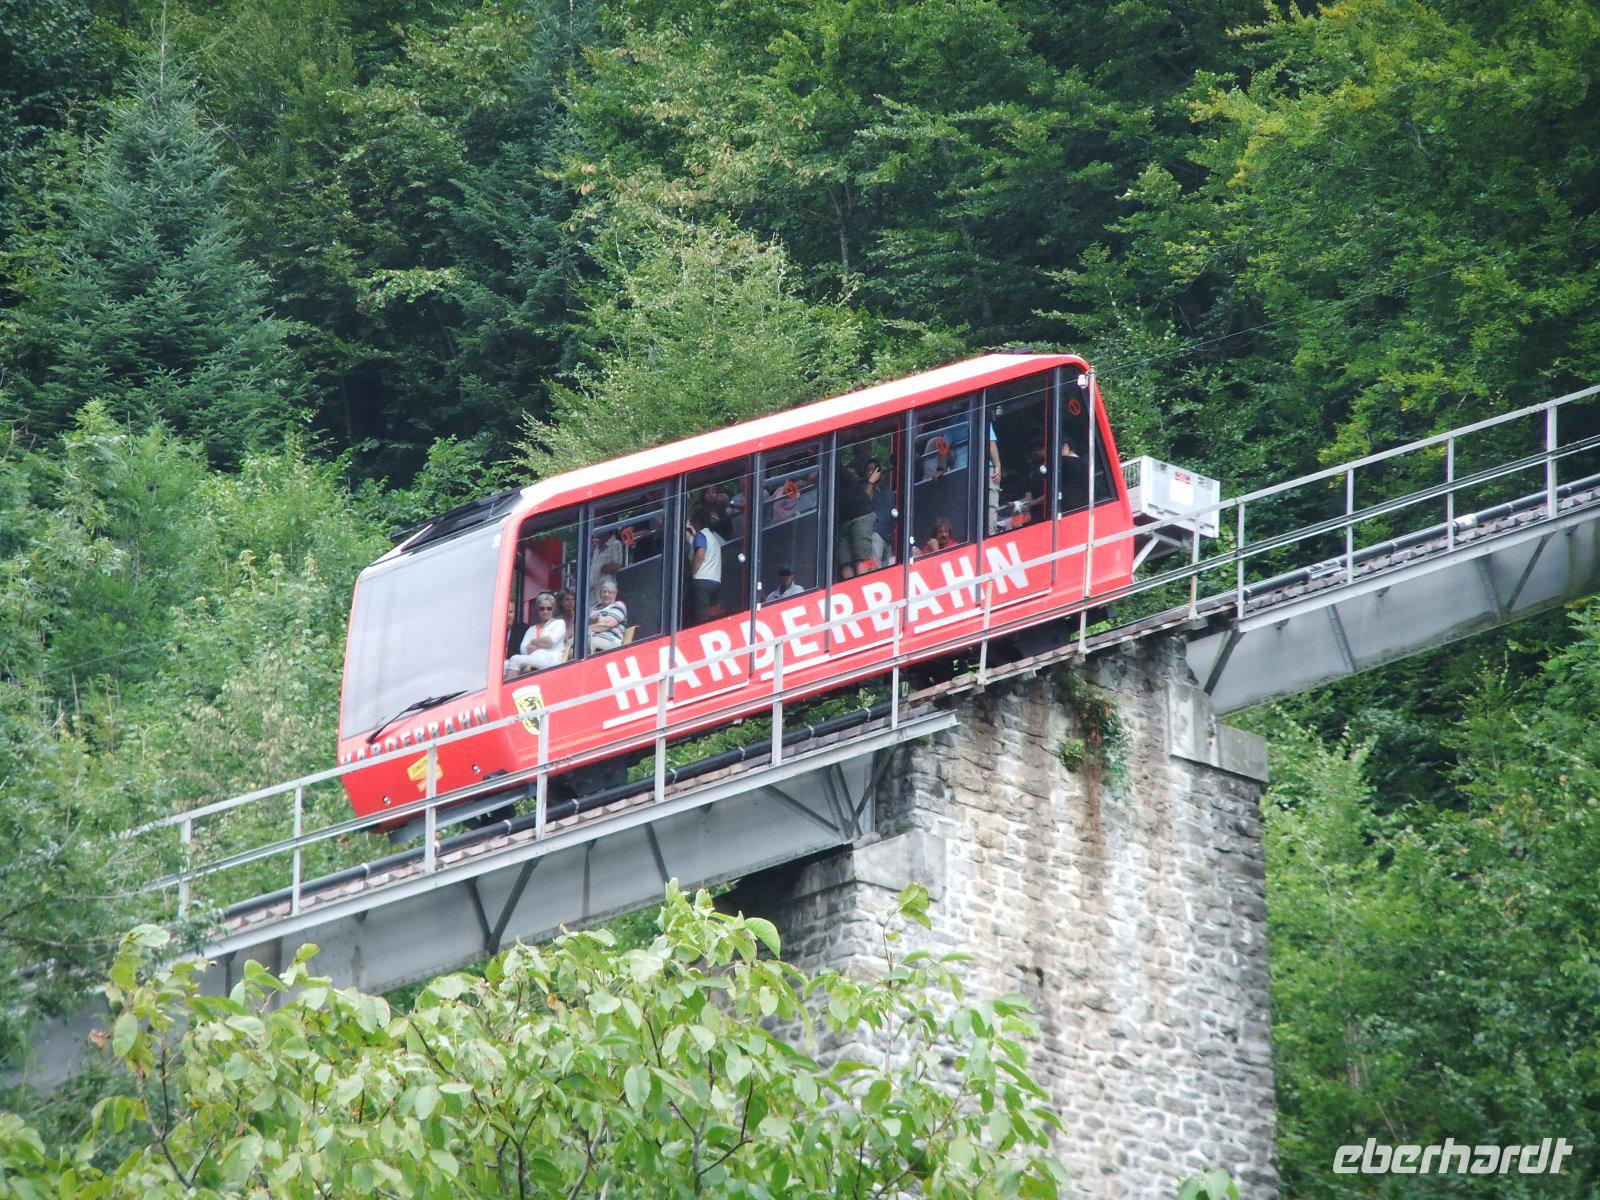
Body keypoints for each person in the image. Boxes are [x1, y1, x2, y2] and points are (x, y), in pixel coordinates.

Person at [834, 453, 875, 578]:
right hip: (844, 519)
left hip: (861, 514)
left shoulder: (837, 470)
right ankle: (850, 587)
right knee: (845, 561)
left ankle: (864, 584)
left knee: (861, 557)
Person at [505, 592, 566, 675]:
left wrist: (532, 642)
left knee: (515, 659)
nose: (545, 611)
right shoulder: (531, 629)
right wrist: (542, 643)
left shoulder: (559, 623)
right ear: (538, 610)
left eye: (549, 608)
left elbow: (550, 641)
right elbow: (523, 649)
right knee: (504, 664)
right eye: (542, 609)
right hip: (533, 659)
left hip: (551, 660)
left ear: (553, 609)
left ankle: (510, 688)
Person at [685, 505, 725, 624]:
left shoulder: (701, 535)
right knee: (712, 614)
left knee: (701, 616)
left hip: (702, 581)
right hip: (715, 581)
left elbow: (700, 555)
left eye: (692, 521)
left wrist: (692, 573)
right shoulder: (713, 538)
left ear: (697, 522)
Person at [867, 458, 896, 567]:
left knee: (887, 567)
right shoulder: (866, 488)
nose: (871, 472)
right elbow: (866, 500)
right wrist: (870, 483)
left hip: (888, 535)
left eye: (874, 469)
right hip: (876, 534)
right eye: (869, 470)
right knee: (875, 567)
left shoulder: (886, 491)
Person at [588, 576, 628, 652]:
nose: (606, 594)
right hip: (591, 637)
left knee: (584, 643)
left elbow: (607, 624)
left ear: (615, 595)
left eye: (610, 592)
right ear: (599, 594)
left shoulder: (618, 605)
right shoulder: (592, 609)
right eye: (604, 592)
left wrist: (587, 629)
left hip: (609, 640)